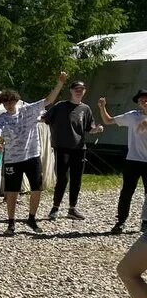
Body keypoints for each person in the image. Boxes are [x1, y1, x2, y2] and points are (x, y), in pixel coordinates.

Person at [0, 74, 66, 235]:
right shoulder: (2, 119)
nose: (8, 105)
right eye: (5, 102)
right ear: (2, 103)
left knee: (36, 188)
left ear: (16, 100)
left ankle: (31, 219)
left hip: (32, 156)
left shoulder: (28, 111)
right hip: (12, 159)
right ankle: (11, 223)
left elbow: (48, 100)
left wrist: (59, 83)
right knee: (12, 191)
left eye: (11, 101)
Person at [45, 80, 102, 220]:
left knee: (76, 179)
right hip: (62, 147)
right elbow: (46, 118)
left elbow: (90, 128)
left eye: (81, 89)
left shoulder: (86, 109)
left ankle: (72, 208)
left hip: (79, 148)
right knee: (62, 178)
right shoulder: (60, 106)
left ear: (84, 91)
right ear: (71, 91)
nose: (79, 91)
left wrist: (97, 129)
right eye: (76, 88)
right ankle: (55, 208)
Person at [99, 90, 147, 234]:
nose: (145, 102)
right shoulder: (132, 116)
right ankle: (121, 221)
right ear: (138, 103)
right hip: (133, 160)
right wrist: (102, 108)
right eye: (142, 100)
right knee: (126, 192)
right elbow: (108, 121)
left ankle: (145, 222)